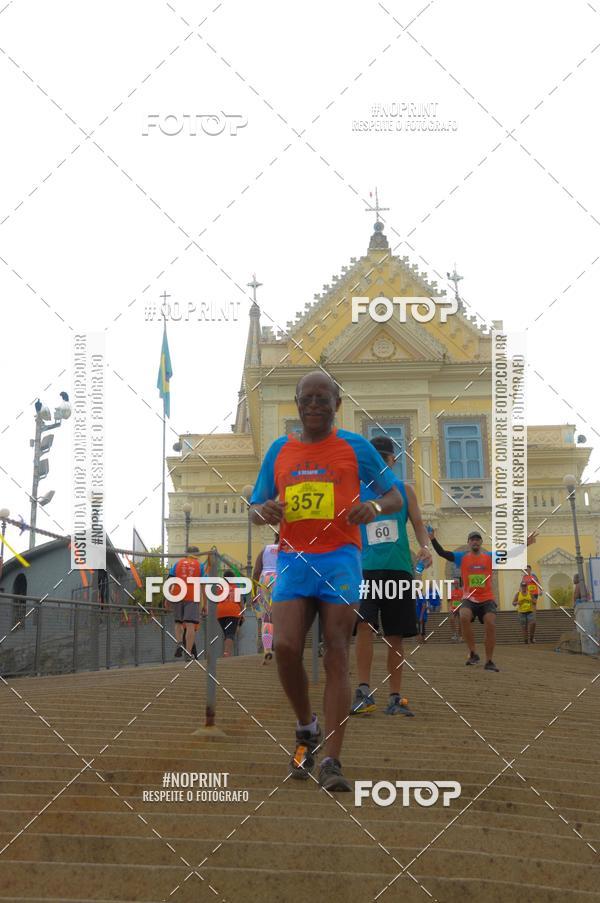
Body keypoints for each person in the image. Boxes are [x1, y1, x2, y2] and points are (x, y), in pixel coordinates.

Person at [250, 371, 404, 791]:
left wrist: (373, 507)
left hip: (340, 559)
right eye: (307, 398)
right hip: (294, 560)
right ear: (297, 403)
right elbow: (255, 505)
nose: (314, 405)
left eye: (323, 398)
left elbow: (394, 495)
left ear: (337, 404)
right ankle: (307, 727)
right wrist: (264, 511)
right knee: (285, 647)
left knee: (336, 649)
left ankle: (332, 761)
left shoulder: (355, 447)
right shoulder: (279, 450)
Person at [350, 435, 431, 718]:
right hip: (365, 570)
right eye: (373, 459)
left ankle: (395, 696)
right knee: (364, 626)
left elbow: (419, 525)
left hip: (398, 570)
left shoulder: (404, 490)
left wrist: (425, 547)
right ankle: (363, 691)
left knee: (395, 635)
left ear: (392, 461)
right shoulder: (356, 491)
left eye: (382, 459)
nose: (378, 464)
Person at [431, 529, 537, 672]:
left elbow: (510, 554)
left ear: (481, 542)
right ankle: (473, 653)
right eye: (472, 539)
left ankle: (489, 661)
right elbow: (442, 553)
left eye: (477, 539)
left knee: (490, 623)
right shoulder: (462, 557)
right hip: (469, 598)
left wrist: (525, 544)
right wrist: (432, 539)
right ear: (468, 543)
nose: (475, 541)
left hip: (487, 598)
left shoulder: (490, 557)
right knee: (463, 616)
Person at [169, 546, 204, 660]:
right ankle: (188, 653)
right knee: (190, 625)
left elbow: (170, 581)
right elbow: (204, 585)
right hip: (192, 595)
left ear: (186, 554)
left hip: (177, 593)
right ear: (197, 555)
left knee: (178, 622)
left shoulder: (177, 564)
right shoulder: (200, 566)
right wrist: (205, 604)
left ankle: (179, 642)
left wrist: (167, 598)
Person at [253, 535, 279, 663]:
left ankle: (267, 649)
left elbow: (256, 571)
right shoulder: (290, 550)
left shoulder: (265, 549)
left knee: (267, 617)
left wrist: (254, 592)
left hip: (265, 580)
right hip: (281, 579)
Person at [217, 569, 243, 657]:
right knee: (230, 634)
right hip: (233, 612)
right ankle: (227, 654)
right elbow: (241, 603)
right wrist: (242, 615)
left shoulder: (219, 587)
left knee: (226, 633)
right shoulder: (236, 588)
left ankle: (226, 652)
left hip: (220, 613)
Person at [512, 578, 537, 644]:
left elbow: (535, 601)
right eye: (523, 586)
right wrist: (517, 602)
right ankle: (526, 640)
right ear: (521, 587)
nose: (524, 587)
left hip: (530, 612)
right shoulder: (518, 594)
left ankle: (531, 638)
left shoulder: (530, 594)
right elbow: (513, 603)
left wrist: (531, 600)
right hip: (521, 613)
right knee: (524, 626)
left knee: (533, 623)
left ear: (526, 587)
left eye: (525, 586)